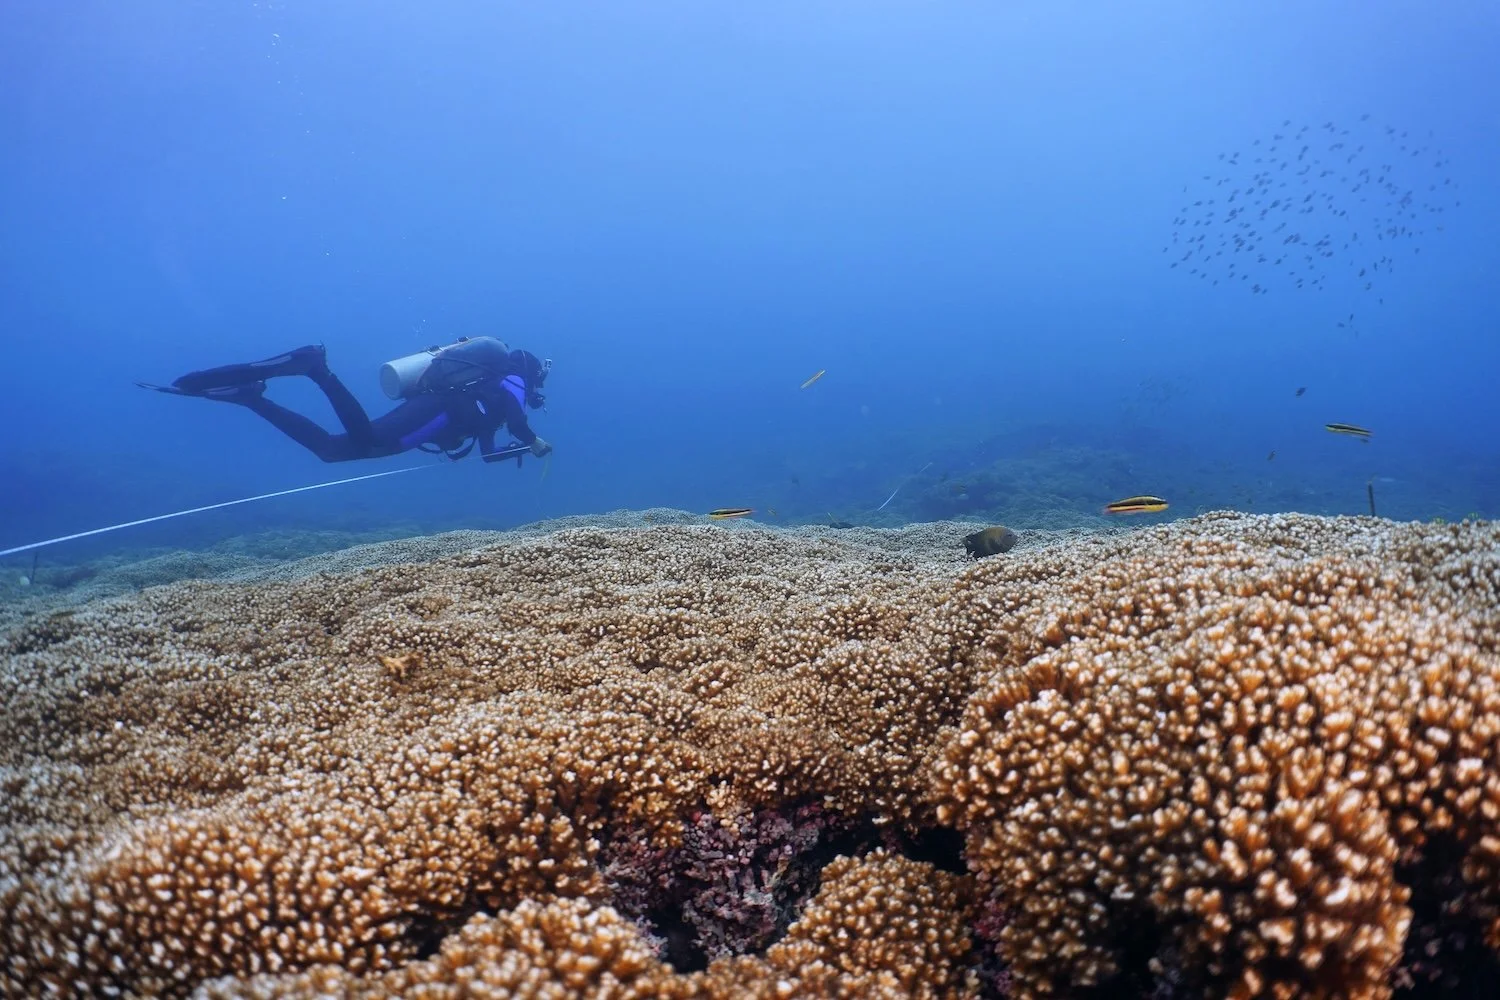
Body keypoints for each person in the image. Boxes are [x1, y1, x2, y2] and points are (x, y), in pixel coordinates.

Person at [138, 337, 553, 464]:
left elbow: (487, 450)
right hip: (439, 410)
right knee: (367, 437)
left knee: (331, 451)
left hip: (439, 414)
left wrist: (511, 450)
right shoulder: (512, 381)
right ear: (530, 371)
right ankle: (317, 369)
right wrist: (534, 443)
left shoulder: (497, 381)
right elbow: (514, 417)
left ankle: (252, 399)